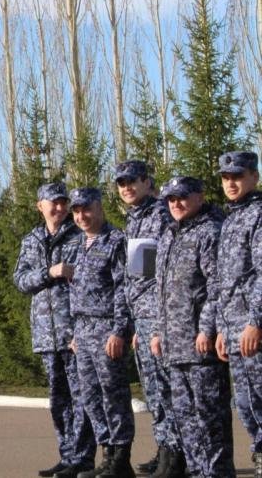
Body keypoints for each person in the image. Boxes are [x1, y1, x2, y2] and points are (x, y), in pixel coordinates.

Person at [150, 176, 233, 478]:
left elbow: (217, 287)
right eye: (171, 199)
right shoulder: (169, 236)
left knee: (209, 423)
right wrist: (159, 332)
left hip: (201, 349)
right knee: (186, 422)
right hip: (175, 348)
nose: (176, 204)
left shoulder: (209, 232)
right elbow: (162, 291)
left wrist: (207, 329)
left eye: (182, 197)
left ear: (199, 197)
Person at [13, 182, 95, 478]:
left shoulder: (80, 237)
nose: (59, 208)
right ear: (40, 206)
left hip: (73, 332)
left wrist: (81, 331)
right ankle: (67, 455)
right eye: (53, 202)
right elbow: (20, 281)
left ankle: (83, 459)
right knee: (58, 399)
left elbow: (89, 284)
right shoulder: (31, 239)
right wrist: (49, 273)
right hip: (46, 334)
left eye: (63, 202)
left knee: (81, 396)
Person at [113, 160, 180, 476]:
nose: (126, 187)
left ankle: (176, 456)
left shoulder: (161, 216)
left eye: (132, 181)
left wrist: (156, 320)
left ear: (146, 182)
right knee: (153, 391)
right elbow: (137, 275)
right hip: (143, 319)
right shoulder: (134, 220)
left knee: (167, 389)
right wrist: (137, 321)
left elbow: (165, 273)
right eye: (121, 183)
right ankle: (164, 448)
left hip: (160, 317)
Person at [67, 187, 135, 478]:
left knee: (113, 395)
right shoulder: (78, 244)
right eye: (76, 211)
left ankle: (121, 458)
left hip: (107, 328)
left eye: (87, 209)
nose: (82, 216)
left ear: (99, 207)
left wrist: (120, 330)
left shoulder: (117, 240)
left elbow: (124, 288)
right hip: (83, 330)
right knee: (91, 396)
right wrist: (75, 332)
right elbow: (75, 292)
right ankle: (106, 453)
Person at [213, 151, 262, 477]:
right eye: (226, 177)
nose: (231, 182)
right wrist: (220, 327)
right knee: (246, 403)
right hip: (231, 328)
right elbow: (222, 281)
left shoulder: (258, 214)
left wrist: (255, 323)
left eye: (238, 176)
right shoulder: (231, 218)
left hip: (251, 326)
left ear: (254, 177)